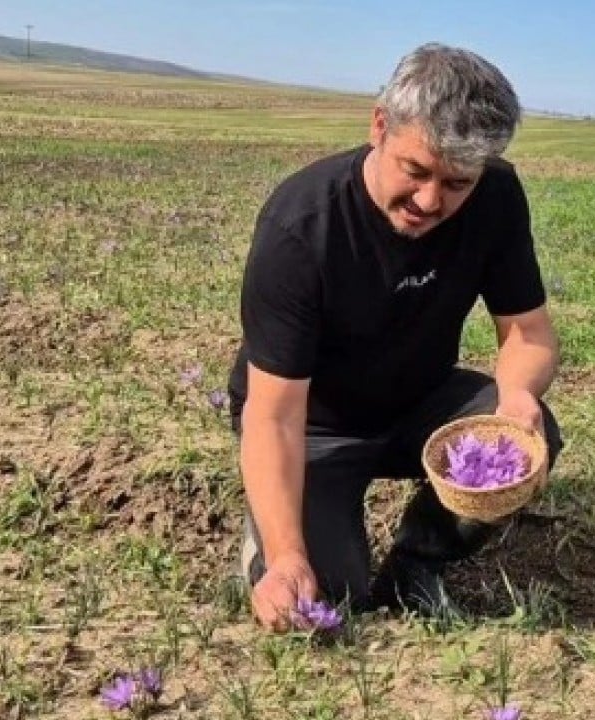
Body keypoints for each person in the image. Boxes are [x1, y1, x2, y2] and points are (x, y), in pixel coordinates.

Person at [224, 42, 563, 632]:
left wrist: (515, 398)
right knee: (325, 596)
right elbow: (272, 416)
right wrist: (286, 557)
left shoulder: (498, 198)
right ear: (380, 125)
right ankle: (270, 539)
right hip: (312, 426)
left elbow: (528, 333)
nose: (431, 201)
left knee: (529, 436)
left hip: (416, 403)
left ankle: (417, 563)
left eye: (457, 183)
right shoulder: (302, 227)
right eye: (417, 170)